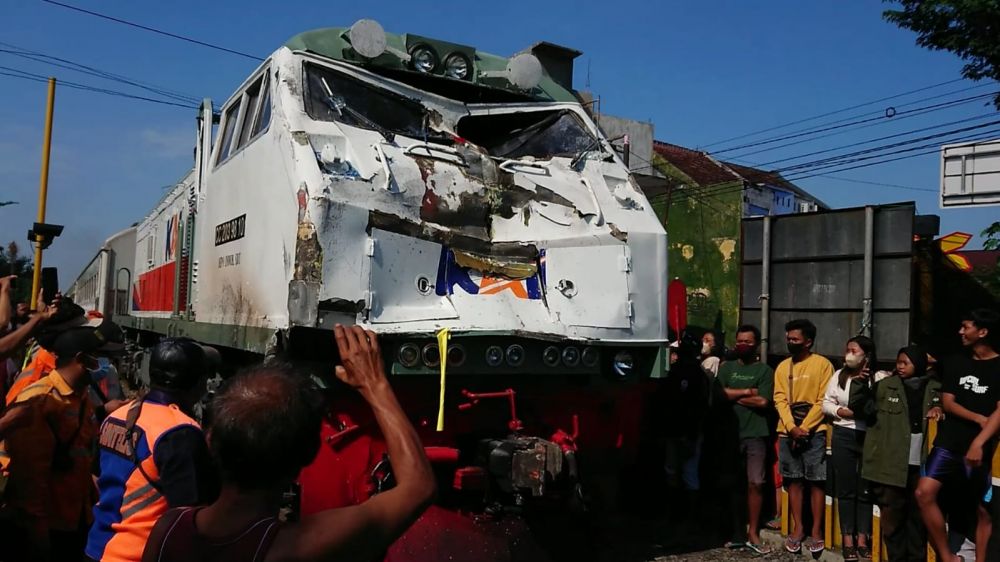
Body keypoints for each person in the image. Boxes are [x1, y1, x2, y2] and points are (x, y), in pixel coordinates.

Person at [142, 325, 435, 562]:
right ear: (307, 454)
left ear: (210, 441)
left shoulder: (167, 529)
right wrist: (375, 385)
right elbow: (418, 487)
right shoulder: (290, 549)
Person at [86, 337, 221, 562]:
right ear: (199, 383)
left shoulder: (118, 416)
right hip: (137, 555)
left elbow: (95, 476)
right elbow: (190, 516)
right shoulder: (179, 432)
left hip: (97, 547)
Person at [0, 319, 125, 562]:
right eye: (99, 357)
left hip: (73, 516)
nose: (107, 365)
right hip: (48, 525)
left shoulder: (79, 397)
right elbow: (29, 481)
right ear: (81, 359)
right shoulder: (42, 401)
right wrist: (39, 540)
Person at [916, 309, 1000, 562]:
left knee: (983, 510)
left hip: (982, 448)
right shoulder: (955, 361)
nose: (960, 332)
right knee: (924, 492)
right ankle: (948, 557)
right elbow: (948, 403)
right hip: (949, 442)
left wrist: (979, 441)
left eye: (966, 327)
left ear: (982, 332)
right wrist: (977, 418)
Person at [849, 345, 942, 562]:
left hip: (922, 466)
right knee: (892, 522)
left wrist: (940, 409)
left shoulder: (936, 388)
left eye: (905, 363)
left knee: (918, 521)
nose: (900, 367)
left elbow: (946, 410)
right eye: (898, 362)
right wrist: (860, 383)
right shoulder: (884, 387)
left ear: (918, 364)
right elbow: (861, 407)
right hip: (890, 467)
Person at [772, 318, 834, 556]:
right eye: (788, 339)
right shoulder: (783, 367)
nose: (790, 342)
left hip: (814, 430)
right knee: (793, 480)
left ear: (808, 342)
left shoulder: (822, 365)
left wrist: (804, 428)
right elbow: (779, 398)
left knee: (816, 480)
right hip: (787, 430)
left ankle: (817, 530)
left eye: (795, 339)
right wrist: (791, 427)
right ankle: (799, 528)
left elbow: (823, 400)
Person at [717, 324, 774, 554]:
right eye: (739, 340)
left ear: (757, 344)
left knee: (756, 483)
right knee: (732, 483)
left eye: (748, 342)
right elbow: (719, 395)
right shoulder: (726, 368)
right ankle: (736, 531)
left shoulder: (764, 371)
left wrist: (733, 395)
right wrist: (747, 392)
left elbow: (763, 402)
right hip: (730, 434)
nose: (742, 345)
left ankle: (753, 532)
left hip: (756, 434)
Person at [822, 336, 879, 561]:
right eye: (847, 350)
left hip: (869, 435)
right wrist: (840, 412)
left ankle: (863, 537)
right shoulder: (839, 375)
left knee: (865, 489)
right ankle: (847, 538)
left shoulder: (878, 378)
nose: (849, 354)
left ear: (867, 355)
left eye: (854, 350)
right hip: (843, 434)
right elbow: (826, 403)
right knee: (845, 488)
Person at [662, 332, 709, 505]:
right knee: (673, 471)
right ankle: (676, 514)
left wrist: (692, 434)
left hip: (689, 431)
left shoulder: (697, 375)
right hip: (674, 429)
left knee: (688, 472)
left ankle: (688, 518)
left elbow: (699, 406)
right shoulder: (673, 372)